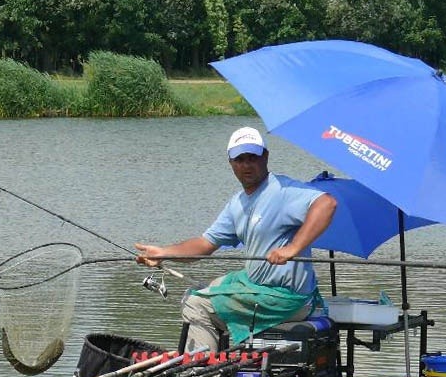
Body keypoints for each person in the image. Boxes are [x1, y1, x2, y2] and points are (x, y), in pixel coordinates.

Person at [135, 126, 336, 351]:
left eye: (253, 157)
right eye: (240, 159)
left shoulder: (282, 191)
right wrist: (163, 253)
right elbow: (204, 245)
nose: (246, 165)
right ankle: (224, 361)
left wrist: (293, 247)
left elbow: (326, 203)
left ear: (265, 157)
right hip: (255, 285)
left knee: (197, 304)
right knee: (206, 288)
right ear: (231, 162)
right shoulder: (237, 203)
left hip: (285, 298)